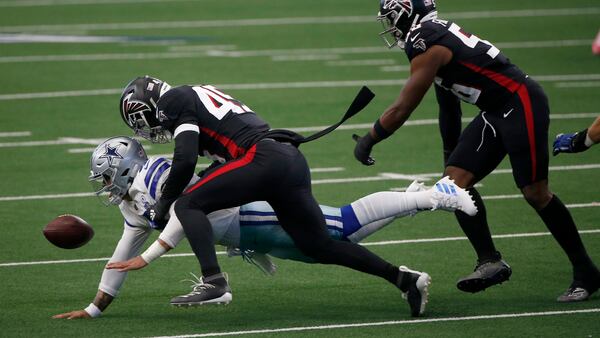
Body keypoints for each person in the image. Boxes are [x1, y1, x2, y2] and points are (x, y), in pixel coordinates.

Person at [52, 136, 476, 319]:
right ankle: (408, 264)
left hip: (249, 215)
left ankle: (431, 195)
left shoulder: (156, 176)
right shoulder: (134, 201)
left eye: (107, 176)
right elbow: (122, 251)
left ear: (124, 168)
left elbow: (182, 214)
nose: (106, 187)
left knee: (344, 226)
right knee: (337, 242)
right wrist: (95, 307)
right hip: (247, 236)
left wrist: (152, 255)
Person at [118, 76, 435, 317]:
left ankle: (213, 281)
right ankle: (404, 280)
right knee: (319, 245)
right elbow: (221, 163)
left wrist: (161, 208)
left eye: (141, 121)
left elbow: (186, 161)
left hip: (263, 159)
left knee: (187, 203)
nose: (149, 129)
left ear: (147, 106)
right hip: (276, 158)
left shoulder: (173, 100)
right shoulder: (197, 95)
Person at [353, 0, 600, 302]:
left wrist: (370, 138)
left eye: (392, 17)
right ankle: (490, 261)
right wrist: (451, 151)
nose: (390, 26)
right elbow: (447, 102)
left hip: (520, 103)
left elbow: (404, 106)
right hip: (496, 109)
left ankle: (586, 271)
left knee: (535, 192)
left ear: (407, 13)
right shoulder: (431, 35)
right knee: (453, 183)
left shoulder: (425, 40)